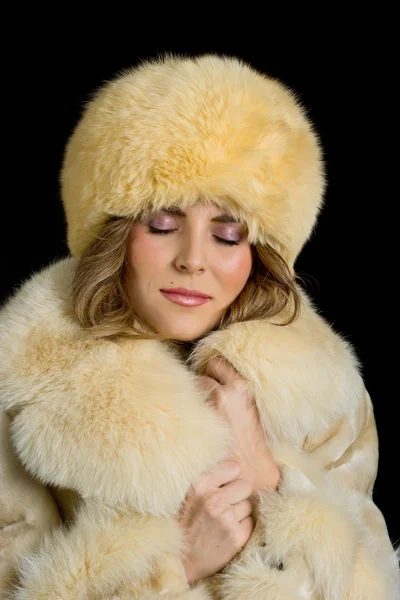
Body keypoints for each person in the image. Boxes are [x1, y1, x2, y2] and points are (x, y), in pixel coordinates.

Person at [0, 54, 398, 599]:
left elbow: (375, 581)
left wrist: (269, 478)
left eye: (228, 235)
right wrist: (174, 568)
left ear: (258, 254)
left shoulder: (324, 393)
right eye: (163, 223)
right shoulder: (24, 381)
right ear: (117, 235)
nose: (193, 259)